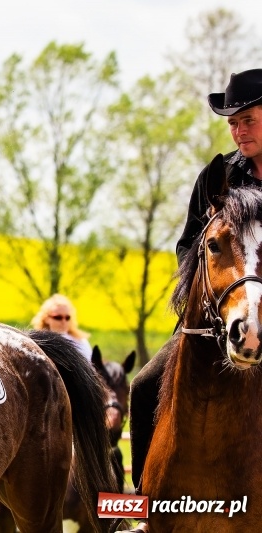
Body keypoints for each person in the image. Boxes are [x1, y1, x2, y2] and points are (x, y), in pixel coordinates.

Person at [126, 69, 262, 533]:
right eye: (233, 123)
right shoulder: (218, 177)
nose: (238, 131)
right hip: (218, 315)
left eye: (248, 120)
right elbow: (189, 246)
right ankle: (143, 510)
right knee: (144, 385)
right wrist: (214, 297)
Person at [30, 294, 92, 360]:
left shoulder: (80, 342)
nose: (63, 321)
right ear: (46, 318)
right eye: (58, 317)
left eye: (67, 317)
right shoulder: (37, 342)